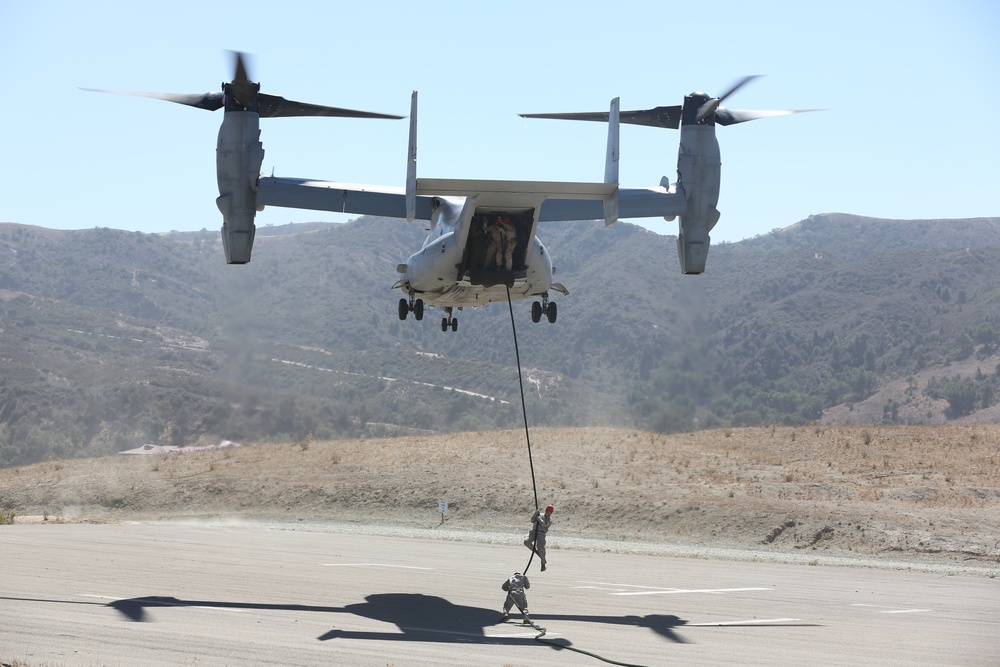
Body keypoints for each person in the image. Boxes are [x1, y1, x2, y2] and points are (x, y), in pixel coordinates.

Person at [523, 504, 554, 571]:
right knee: (526, 541)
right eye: (547, 511)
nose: (548, 513)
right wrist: (535, 514)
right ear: (546, 510)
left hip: (541, 534)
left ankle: (543, 563)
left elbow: (544, 524)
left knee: (541, 548)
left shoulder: (550, 520)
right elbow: (532, 520)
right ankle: (535, 551)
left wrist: (539, 518)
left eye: (550, 512)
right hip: (534, 532)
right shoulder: (539, 515)